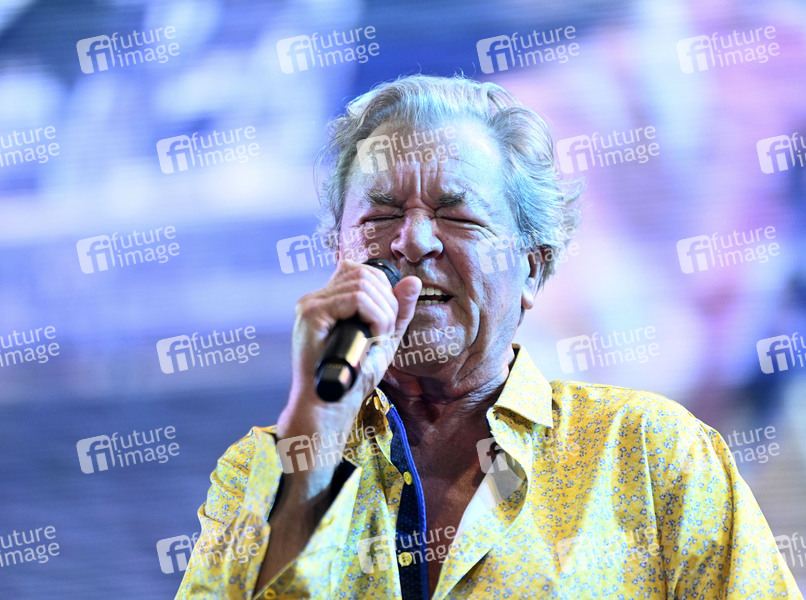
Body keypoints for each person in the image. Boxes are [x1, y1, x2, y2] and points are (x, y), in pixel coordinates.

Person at [175, 75, 801, 599]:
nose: (412, 242)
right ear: (338, 254)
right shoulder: (257, 470)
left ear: (532, 265)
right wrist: (317, 420)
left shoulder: (653, 454)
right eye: (381, 215)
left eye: (457, 215)